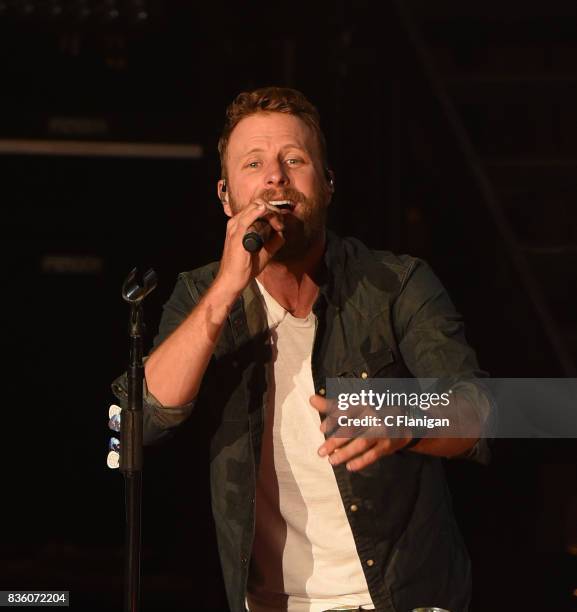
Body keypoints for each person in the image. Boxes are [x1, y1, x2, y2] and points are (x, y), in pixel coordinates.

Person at [112, 87, 491, 612]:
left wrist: (401, 416)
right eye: (254, 164)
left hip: (403, 598)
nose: (275, 178)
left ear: (328, 184)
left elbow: (481, 408)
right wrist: (226, 290)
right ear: (225, 196)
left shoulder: (396, 283)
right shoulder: (201, 295)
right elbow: (141, 418)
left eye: (294, 160)